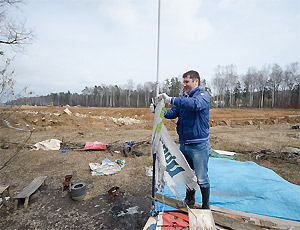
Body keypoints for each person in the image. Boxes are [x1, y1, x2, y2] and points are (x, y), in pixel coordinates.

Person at [154, 70, 211, 209]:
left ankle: (205, 206)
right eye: (183, 82)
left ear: (196, 81)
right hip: (184, 144)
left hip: (199, 145)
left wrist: (170, 99)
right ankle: (189, 200)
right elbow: (173, 113)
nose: (184, 84)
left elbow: (194, 104)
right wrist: (158, 110)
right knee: (187, 175)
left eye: (187, 82)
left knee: (201, 177)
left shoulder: (203, 96)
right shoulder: (184, 98)